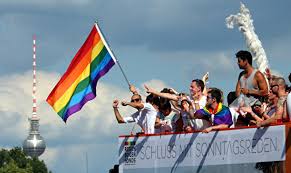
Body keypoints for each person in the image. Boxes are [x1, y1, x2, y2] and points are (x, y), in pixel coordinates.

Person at [234, 50, 268, 126]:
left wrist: (249, 91)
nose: (237, 63)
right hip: (243, 109)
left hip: (255, 110)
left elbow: (265, 92)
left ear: (245, 61)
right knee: (238, 131)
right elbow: (237, 93)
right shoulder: (241, 75)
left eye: (239, 61)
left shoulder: (258, 74)